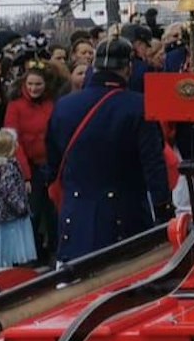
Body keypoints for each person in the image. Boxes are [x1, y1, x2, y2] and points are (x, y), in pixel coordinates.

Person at [46, 38, 171, 262]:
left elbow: (52, 162)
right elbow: (153, 164)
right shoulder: (138, 105)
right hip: (125, 216)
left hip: (75, 216)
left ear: (94, 67)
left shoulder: (64, 105)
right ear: (128, 68)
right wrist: (164, 210)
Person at [4, 63, 58, 259]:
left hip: (50, 164)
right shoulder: (15, 106)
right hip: (30, 166)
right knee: (32, 211)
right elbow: (13, 141)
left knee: (53, 210)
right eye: (30, 84)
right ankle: (32, 254)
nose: (34, 88)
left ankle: (54, 249)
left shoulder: (51, 104)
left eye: (38, 84)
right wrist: (25, 175)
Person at [0, 128, 36, 271]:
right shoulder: (7, 167)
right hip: (9, 214)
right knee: (12, 245)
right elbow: (8, 191)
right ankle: (12, 268)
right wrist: (21, 207)